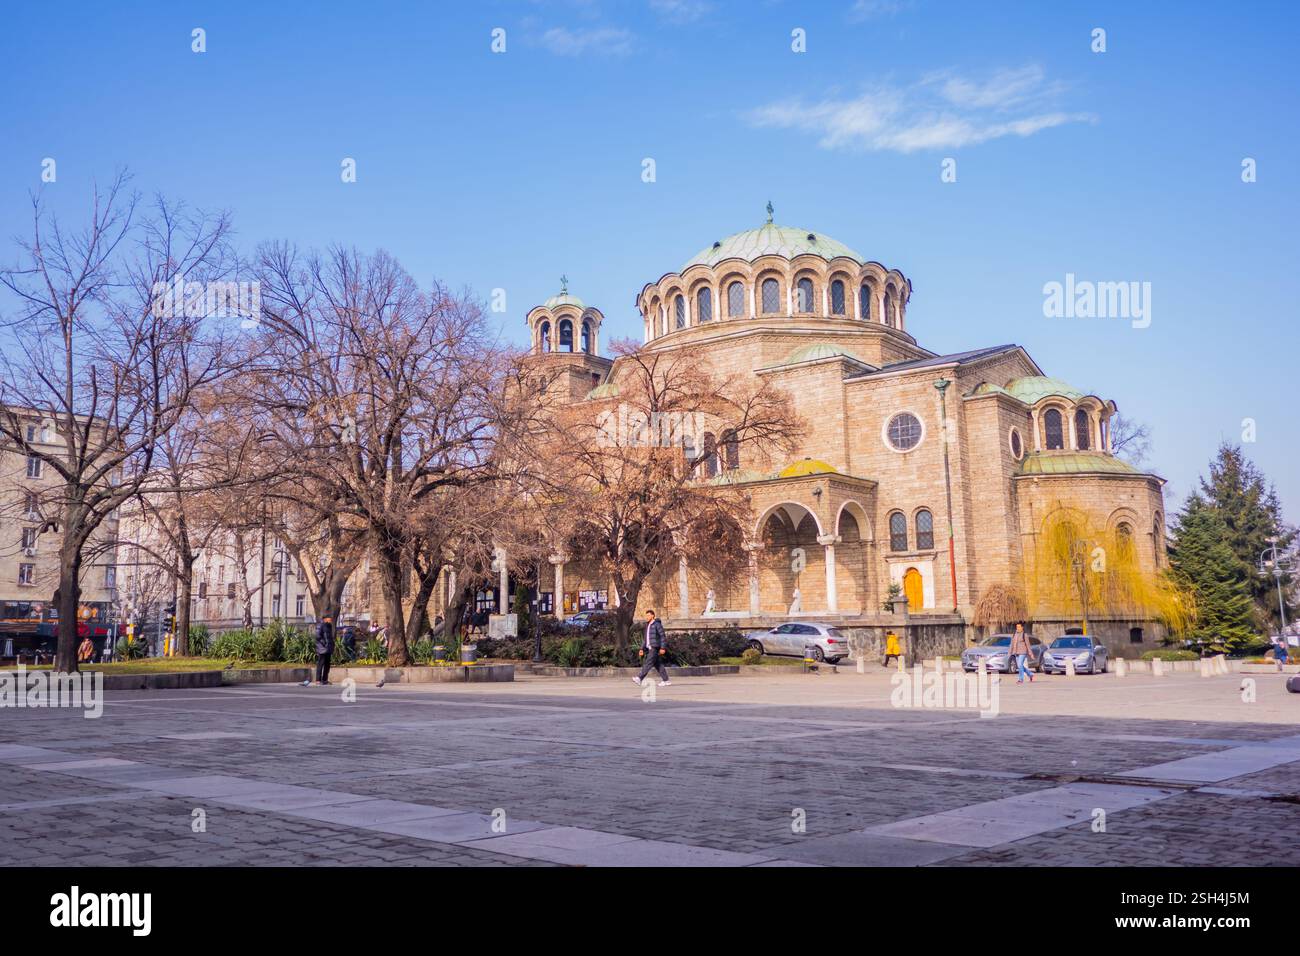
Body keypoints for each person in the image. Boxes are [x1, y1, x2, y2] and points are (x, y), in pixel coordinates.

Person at [633, 609, 671, 687]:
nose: (647, 617)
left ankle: (639, 678)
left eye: (648, 615)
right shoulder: (647, 625)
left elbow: (662, 637)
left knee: (648, 663)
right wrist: (642, 649)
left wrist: (663, 648)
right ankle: (666, 680)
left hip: (655, 647)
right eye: (646, 615)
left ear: (653, 615)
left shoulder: (657, 624)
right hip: (650, 647)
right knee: (658, 664)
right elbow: (645, 639)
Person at [315, 616, 336, 685]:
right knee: (320, 663)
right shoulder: (320, 625)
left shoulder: (329, 626)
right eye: (329, 619)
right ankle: (318, 680)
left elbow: (330, 637)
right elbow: (318, 636)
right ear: (325, 619)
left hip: (328, 648)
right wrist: (324, 643)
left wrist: (332, 645)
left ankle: (325, 679)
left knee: (327, 664)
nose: (330, 620)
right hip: (322, 648)